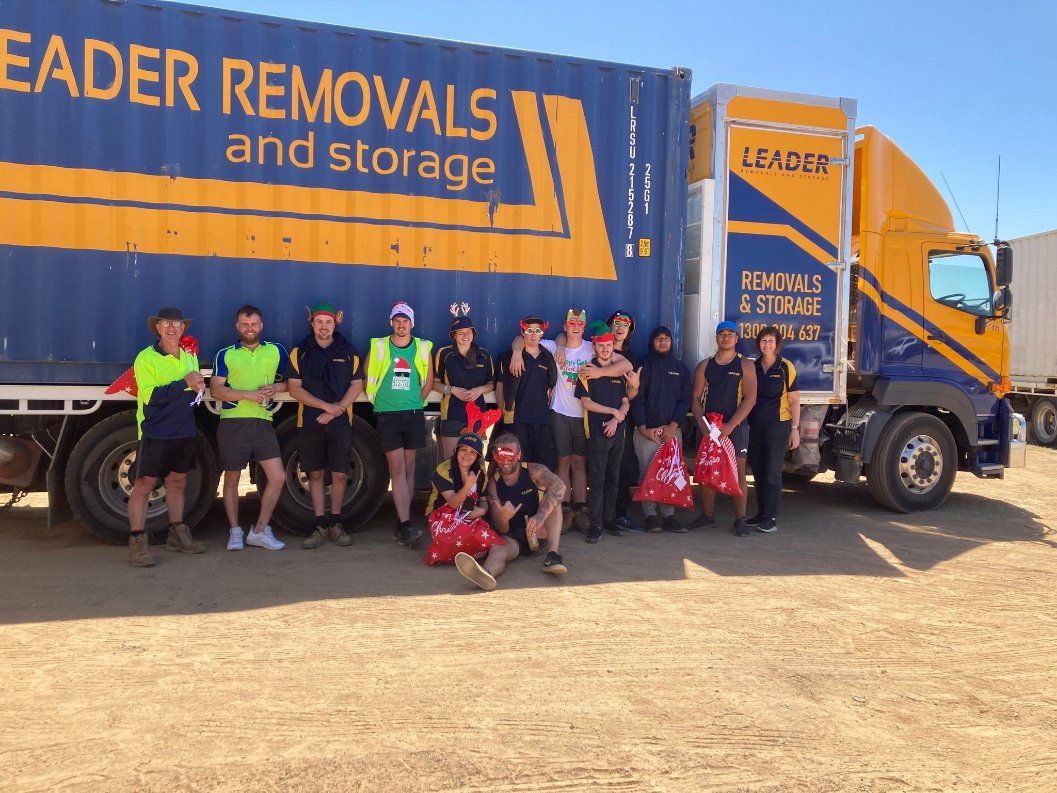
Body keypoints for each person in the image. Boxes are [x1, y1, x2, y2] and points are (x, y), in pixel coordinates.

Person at [509, 309, 631, 534]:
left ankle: (581, 509)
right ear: (564, 326)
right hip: (559, 413)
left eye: (579, 323)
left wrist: (600, 374)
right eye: (571, 323)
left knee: (579, 463)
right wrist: (517, 353)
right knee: (563, 463)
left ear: (584, 327)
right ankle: (564, 509)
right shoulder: (555, 346)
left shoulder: (590, 347)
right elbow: (522, 338)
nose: (575, 326)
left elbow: (625, 365)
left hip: (585, 416)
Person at [126, 307, 206, 567]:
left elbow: (193, 390)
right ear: (157, 328)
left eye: (177, 324)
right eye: (166, 324)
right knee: (145, 484)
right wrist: (185, 382)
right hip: (155, 430)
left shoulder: (189, 356)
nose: (172, 328)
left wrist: (198, 386)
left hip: (184, 429)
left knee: (178, 481)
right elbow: (150, 396)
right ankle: (137, 541)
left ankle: (177, 533)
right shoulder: (145, 358)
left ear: (183, 328)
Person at [210, 304, 289, 552]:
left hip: (264, 423)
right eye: (245, 324)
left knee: (278, 477)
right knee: (232, 478)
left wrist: (275, 389)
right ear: (237, 326)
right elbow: (216, 390)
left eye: (254, 324)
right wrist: (248, 395)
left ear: (261, 325)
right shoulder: (225, 354)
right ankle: (235, 531)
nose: (250, 329)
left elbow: (292, 382)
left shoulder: (276, 351)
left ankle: (258, 531)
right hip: (233, 423)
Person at [287, 302, 364, 549]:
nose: (323, 327)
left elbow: (356, 385)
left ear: (335, 323)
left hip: (340, 420)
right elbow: (294, 388)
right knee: (315, 473)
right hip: (309, 420)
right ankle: (319, 525)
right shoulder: (300, 352)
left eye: (328, 322)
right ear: (312, 324)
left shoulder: (349, 352)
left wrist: (337, 409)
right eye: (319, 322)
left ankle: (336, 524)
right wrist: (325, 406)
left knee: (341, 474)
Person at [454, 432, 568, 591]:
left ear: (519, 455)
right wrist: (504, 518)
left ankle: (553, 555)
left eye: (510, 457)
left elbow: (560, 486)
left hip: (538, 530)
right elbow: (501, 529)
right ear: (494, 456)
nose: (505, 462)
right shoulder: (493, 482)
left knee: (554, 501)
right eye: (500, 457)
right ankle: (485, 574)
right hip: (513, 537)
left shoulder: (534, 470)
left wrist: (540, 516)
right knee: (498, 550)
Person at [365, 300, 434, 548]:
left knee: (409, 468)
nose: (401, 325)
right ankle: (405, 524)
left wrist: (416, 400)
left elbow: (428, 381)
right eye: (397, 320)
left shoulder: (422, 347)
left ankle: (402, 521)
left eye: (405, 321)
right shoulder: (380, 346)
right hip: (387, 414)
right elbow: (368, 373)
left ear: (411, 324)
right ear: (391, 322)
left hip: (413, 413)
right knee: (396, 470)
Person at [689, 320, 757, 536]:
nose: (726, 337)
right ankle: (707, 517)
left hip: (734, 428)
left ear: (737, 338)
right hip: (710, 428)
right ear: (716, 338)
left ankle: (740, 519)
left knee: (737, 472)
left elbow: (750, 399)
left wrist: (730, 425)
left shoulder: (745, 364)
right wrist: (702, 423)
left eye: (730, 333)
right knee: (708, 471)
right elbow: (696, 398)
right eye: (722, 333)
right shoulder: (704, 365)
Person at [631, 326, 693, 532]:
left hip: (671, 431)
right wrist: (642, 428)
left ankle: (669, 517)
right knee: (647, 472)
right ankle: (650, 516)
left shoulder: (681, 369)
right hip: (646, 432)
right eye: (658, 338)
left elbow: (685, 401)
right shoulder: (643, 365)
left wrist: (673, 426)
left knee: (671, 472)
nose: (663, 342)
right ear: (652, 342)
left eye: (666, 338)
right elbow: (636, 399)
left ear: (671, 342)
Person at [574, 322, 631, 543]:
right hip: (597, 433)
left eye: (608, 345)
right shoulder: (587, 371)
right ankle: (595, 525)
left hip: (618, 432)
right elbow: (586, 403)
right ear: (594, 347)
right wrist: (613, 412)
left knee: (613, 478)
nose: (605, 349)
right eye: (601, 345)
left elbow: (626, 402)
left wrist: (618, 418)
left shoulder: (619, 372)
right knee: (596, 480)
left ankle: (609, 520)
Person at [746, 325, 801, 534]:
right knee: (758, 472)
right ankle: (760, 514)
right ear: (758, 344)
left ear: (777, 344)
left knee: (772, 471)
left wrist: (794, 429)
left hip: (778, 426)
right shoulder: (753, 367)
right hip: (755, 426)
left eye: (770, 341)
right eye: (763, 341)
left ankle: (770, 518)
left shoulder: (786, 367)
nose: (766, 344)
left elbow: (795, 401)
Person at [494, 316, 559, 470]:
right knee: (516, 465)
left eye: (537, 331)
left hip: (542, 420)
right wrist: (505, 411)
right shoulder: (507, 357)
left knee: (544, 466)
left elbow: (551, 387)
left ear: (542, 333)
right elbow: (499, 387)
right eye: (529, 330)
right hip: (517, 420)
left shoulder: (548, 357)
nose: (533, 334)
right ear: (522, 332)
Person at [432, 308, 494, 460]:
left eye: (468, 331)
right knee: (450, 461)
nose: (465, 335)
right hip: (452, 414)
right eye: (460, 332)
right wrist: (452, 389)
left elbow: (492, 383)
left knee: (475, 462)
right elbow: (434, 383)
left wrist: (480, 390)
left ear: (473, 333)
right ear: (453, 335)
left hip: (478, 415)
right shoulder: (444, 354)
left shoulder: (484, 355)